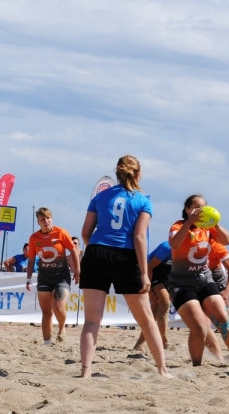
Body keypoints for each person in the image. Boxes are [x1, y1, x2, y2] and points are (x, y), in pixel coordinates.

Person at [78, 155, 170, 379]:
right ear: (138, 174)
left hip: (97, 252)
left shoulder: (101, 196)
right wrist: (145, 273)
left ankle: (86, 372)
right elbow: (139, 237)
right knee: (147, 319)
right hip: (126, 256)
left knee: (92, 320)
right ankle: (162, 369)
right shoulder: (143, 201)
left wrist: (97, 251)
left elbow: (85, 233)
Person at [168, 195, 229, 368]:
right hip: (182, 284)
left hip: (205, 280)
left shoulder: (209, 230)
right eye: (196, 207)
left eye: (203, 208)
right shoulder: (178, 226)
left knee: (224, 320)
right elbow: (174, 244)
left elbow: (227, 240)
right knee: (199, 327)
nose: (199, 211)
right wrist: (190, 222)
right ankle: (197, 364)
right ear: (187, 209)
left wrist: (215, 223)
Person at [27, 208, 81, 345]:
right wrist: (28, 278)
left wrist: (77, 270)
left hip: (61, 276)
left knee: (58, 307)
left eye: (48, 218)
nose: (46, 221)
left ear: (52, 219)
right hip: (44, 277)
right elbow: (31, 260)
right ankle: (47, 343)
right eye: (42, 219)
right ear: (38, 222)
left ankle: (62, 328)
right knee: (46, 313)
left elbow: (73, 250)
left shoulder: (61, 233)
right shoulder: (34, 238)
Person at [133, 241, 173, 351]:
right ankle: (164, 341)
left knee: (156, 307)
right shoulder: (167, 247)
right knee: (164, 303)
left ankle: (140, 343)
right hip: (151, 272)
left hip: (167, 274)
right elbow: (149, 268)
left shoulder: (189, 248)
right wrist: (149, 291)